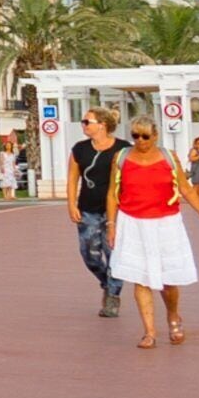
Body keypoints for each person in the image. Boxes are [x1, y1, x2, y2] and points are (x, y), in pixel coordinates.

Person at [104, 117, 198, 347]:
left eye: (145, 136)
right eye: (135, 136)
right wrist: (111, 225)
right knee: (140, 278)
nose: (140, 141)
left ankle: (173, 315)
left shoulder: (168, 157)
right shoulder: (122, 157)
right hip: (133, 222)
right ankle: (149, 332)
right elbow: (112, 193)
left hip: (166, 223)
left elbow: (185, 189)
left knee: (168, 280)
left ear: (155, 136)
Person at [68, 107, 128, 319]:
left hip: (118, 211)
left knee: (115, 255)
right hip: (88, 210)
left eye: (87, 121)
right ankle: (106, 282)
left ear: (102, 124)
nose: (83, 125)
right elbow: (73, 178)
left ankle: (113, 296)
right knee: (89, 254)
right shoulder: (80, 149)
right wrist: (72, 204)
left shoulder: (123, 148)